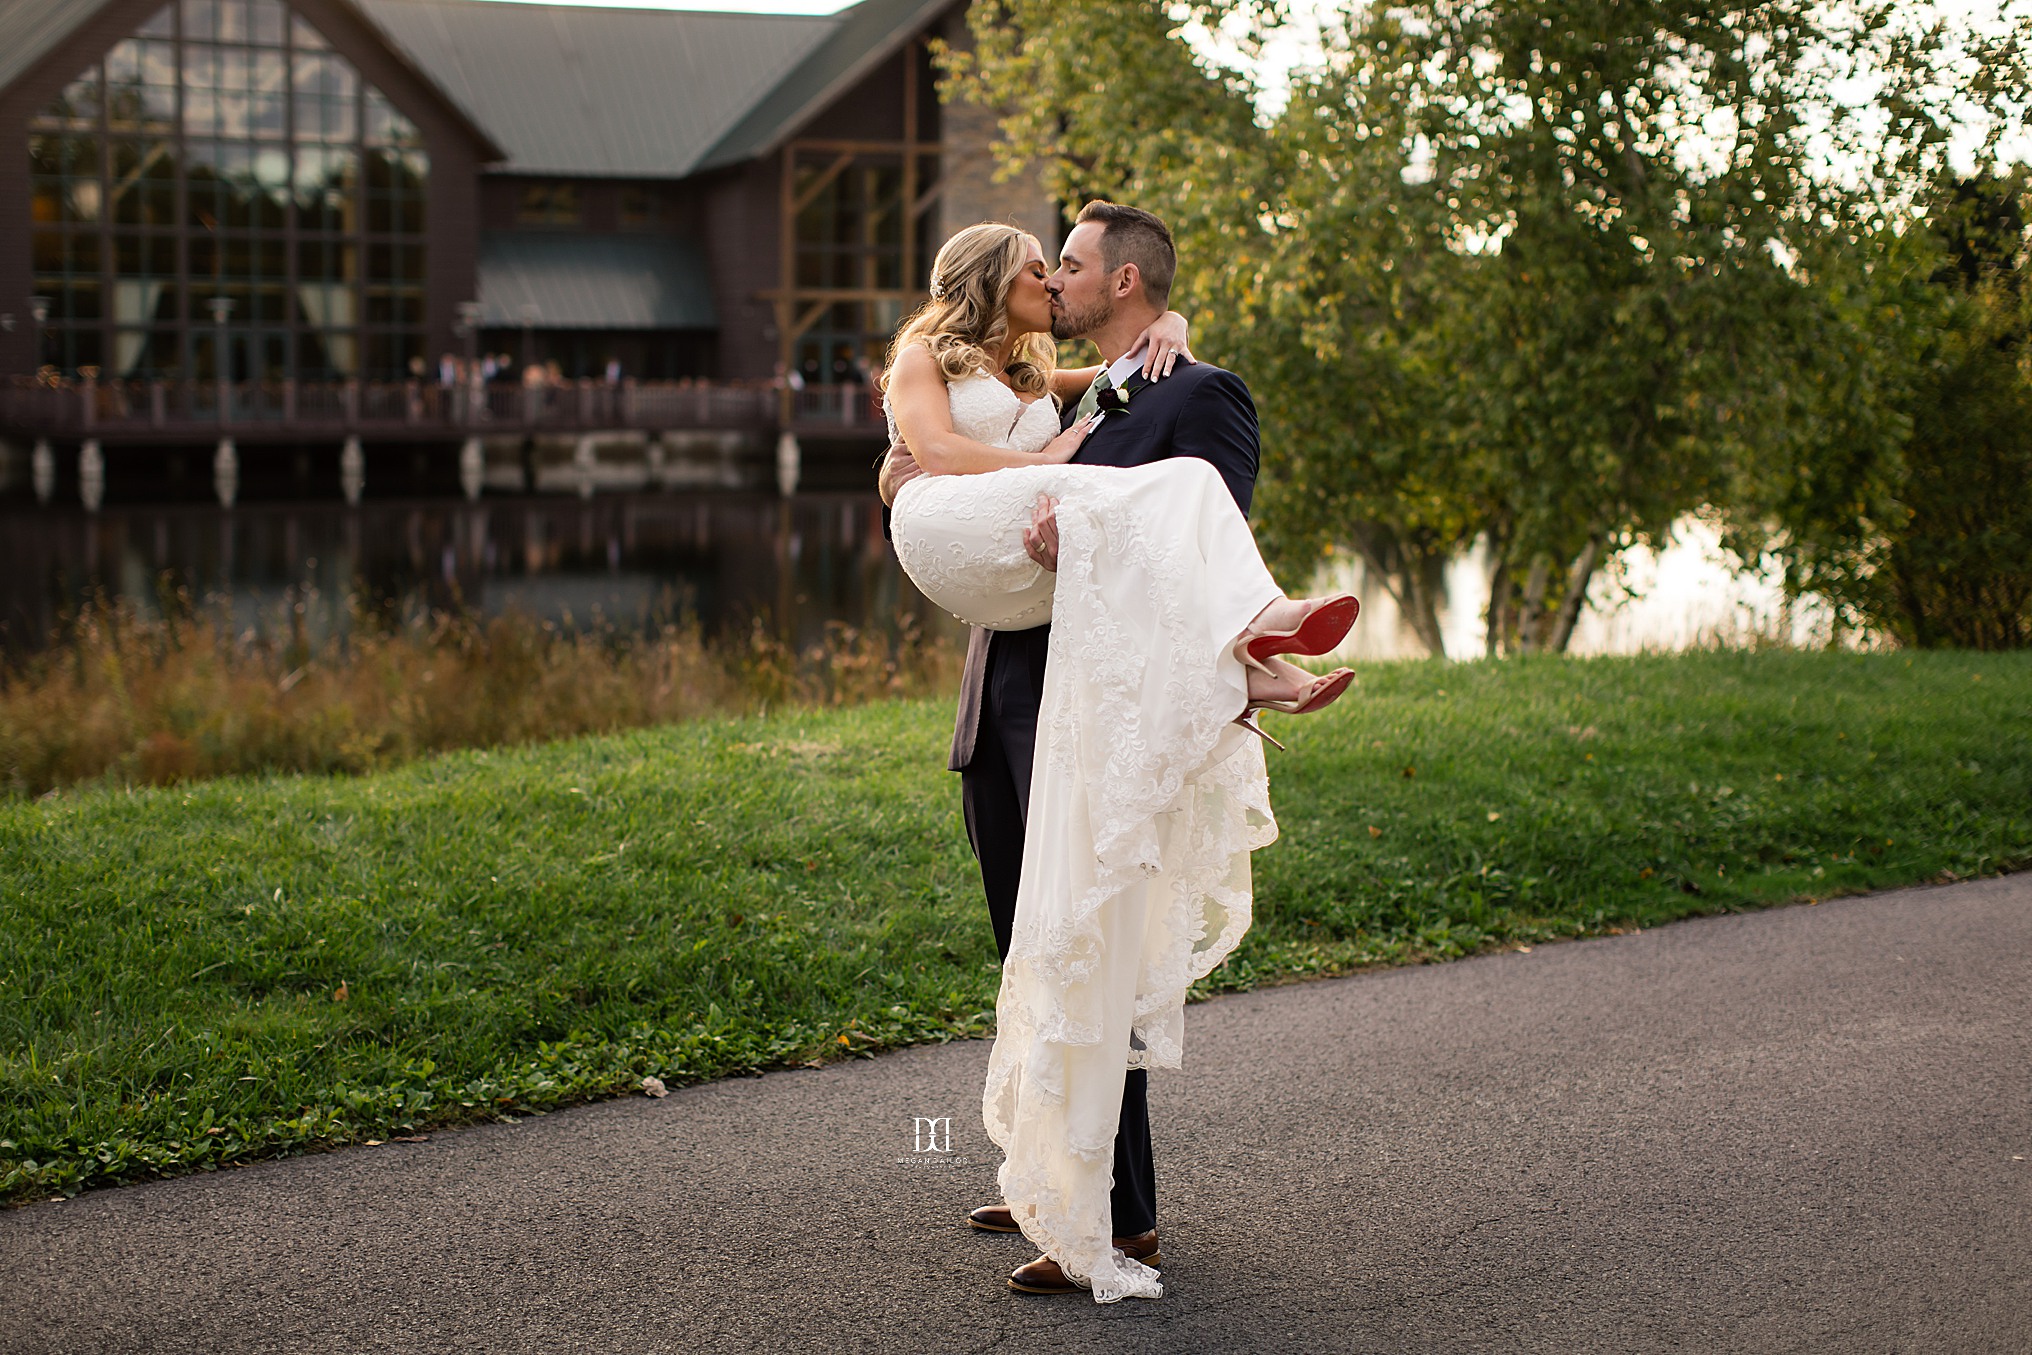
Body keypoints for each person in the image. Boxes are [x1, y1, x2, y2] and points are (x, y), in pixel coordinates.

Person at [881, 208, 1359, 1303]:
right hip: (996, 697)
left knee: (1089, 941)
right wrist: (906, 477)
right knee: (1028, 949)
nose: (1056, 279)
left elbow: (1195, 536)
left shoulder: (1193, 390)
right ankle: (1046, 1172)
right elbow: (946, 453)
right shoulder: (1057, 380)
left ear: (1121, 278)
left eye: (1074, 265)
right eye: (1044, 268)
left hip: (1089, 706)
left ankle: (1117, 1213)